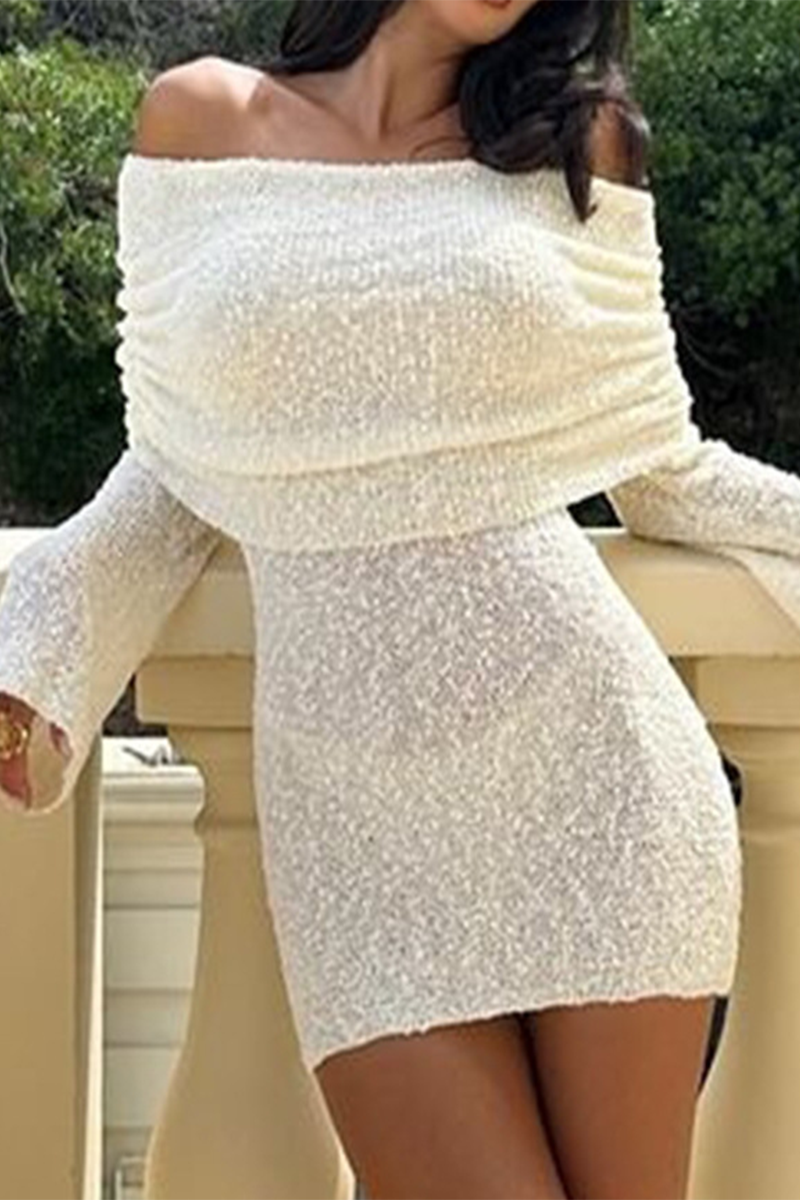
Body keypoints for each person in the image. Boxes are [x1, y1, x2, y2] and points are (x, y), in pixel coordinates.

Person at [2, 2, 800, 1198]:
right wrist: (39, 643)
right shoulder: (196, 120)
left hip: (599, 787)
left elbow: (660, 464)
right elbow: (169, 465)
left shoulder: (575, 143)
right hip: (352, 823)